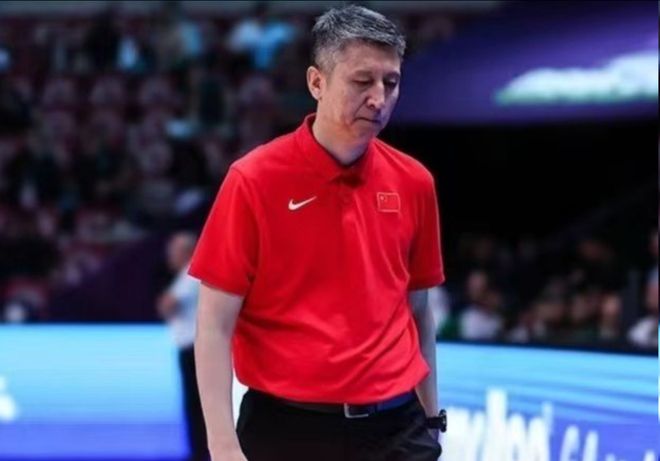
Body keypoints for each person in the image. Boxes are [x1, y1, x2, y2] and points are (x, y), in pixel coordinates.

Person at [189, 5, 445, 461]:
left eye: (391, 82)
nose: (379, 98)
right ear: (316, 83)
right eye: (362, 81)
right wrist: (223, 445)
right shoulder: (253, 180)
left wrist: (431, 419)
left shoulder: (415, 182)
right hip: (285, 429)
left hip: (398, 429)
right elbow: (213, 324)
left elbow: (419, 312)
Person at [157, 232, 209, 461]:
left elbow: (168, 305)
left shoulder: (191, 274)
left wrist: (164, 302)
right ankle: (200, 450)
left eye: (173, 252)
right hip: (194, 347)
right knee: (197, 403)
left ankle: (200, 452)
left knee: (196, 403)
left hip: (193, 348)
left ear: (186, 252)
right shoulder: (189, 275)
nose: (169, 257)